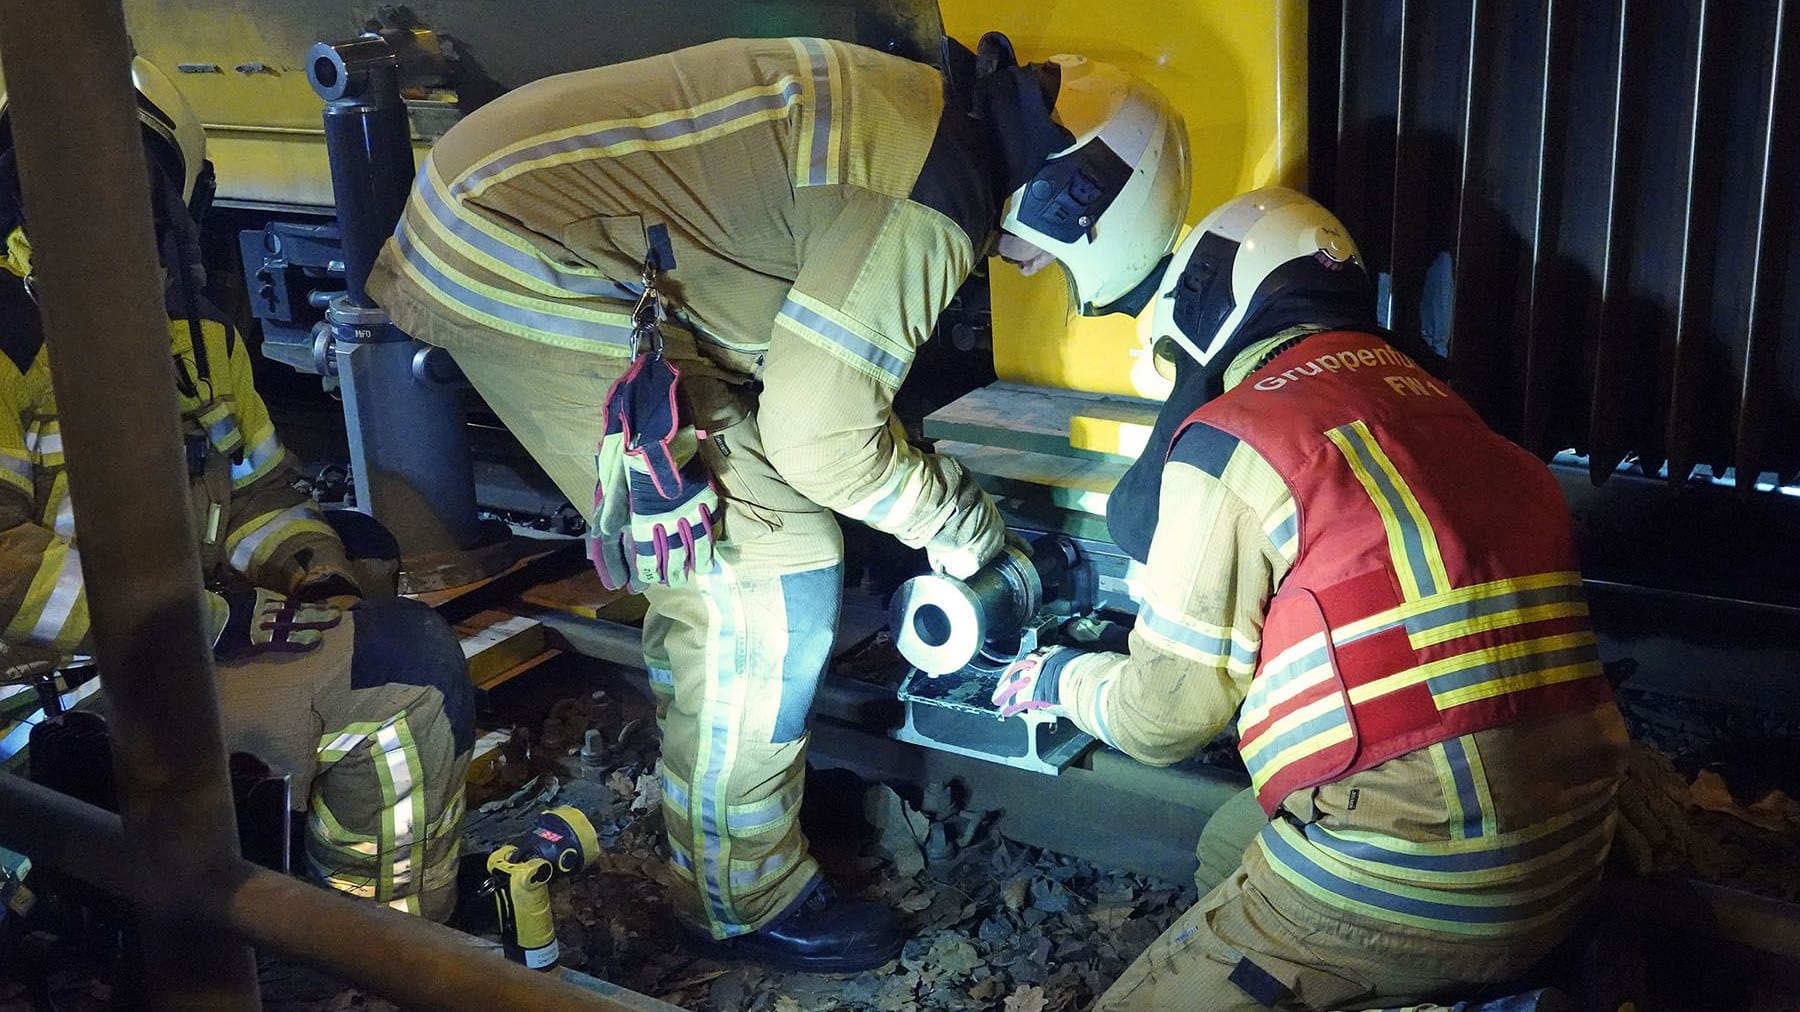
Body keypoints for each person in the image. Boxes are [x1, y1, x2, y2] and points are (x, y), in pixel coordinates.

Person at [364, 33, 1189, 969]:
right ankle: (739, 898)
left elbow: (803, 365)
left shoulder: (924, 124)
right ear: (1077, 205)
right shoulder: (929, 198)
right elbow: (822, 438)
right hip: (514, 252)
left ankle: (718, 783)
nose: (1033, 271)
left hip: (500, 215)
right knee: (765, 565)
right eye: (1060, 262)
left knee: (724, 557)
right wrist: (964, 530)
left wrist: (897, 494)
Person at [990, 188, 1628, 1010]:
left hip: (1413, 885)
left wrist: (1058, 679)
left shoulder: (1244, 436)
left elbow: (1162, 717)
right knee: (1231, 844)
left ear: (1202, 307)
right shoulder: (1460, 418)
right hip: (1572, 860)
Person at [0, 57, 472, 921]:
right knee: (406, 674)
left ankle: (345, 930)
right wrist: (205, 624)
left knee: (369, 575)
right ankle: (387, 947)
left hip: (153, 654)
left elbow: (258, 497)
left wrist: (308, 571)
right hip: (38, 700)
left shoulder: (195, 340)